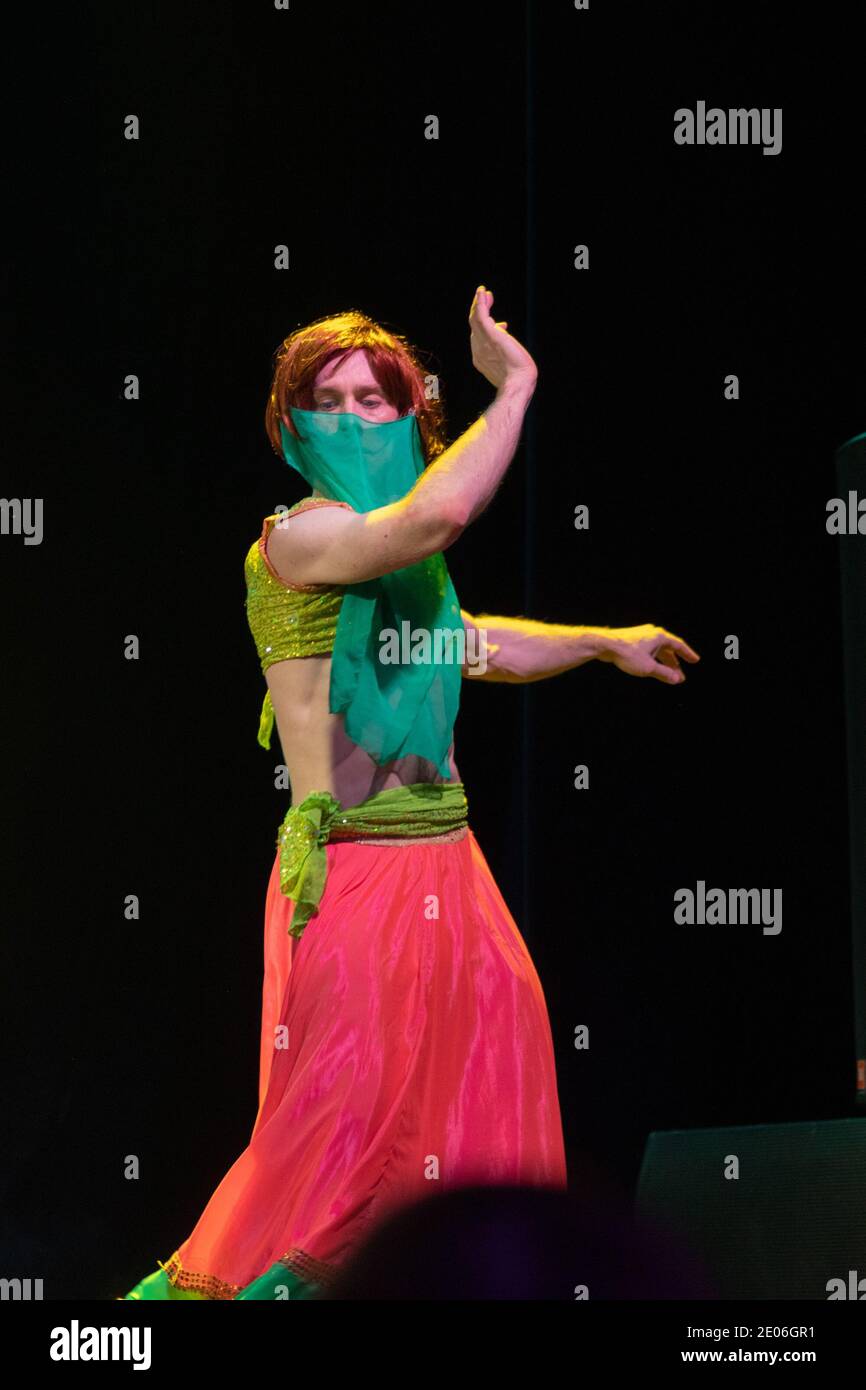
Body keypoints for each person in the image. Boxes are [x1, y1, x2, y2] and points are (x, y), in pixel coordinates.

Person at [122, 287, 699, 1300]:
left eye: (376, 399)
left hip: (456, 877)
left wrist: (602, 641)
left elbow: (475, 643)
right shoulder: (296, 539)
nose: (353, 416)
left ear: (410, 420)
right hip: (353, 880)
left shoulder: (404, 580)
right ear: (292, 428)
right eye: (328, 399)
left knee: (481, 1128)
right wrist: (515, 387)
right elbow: (437, 513)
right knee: (339, 1158)